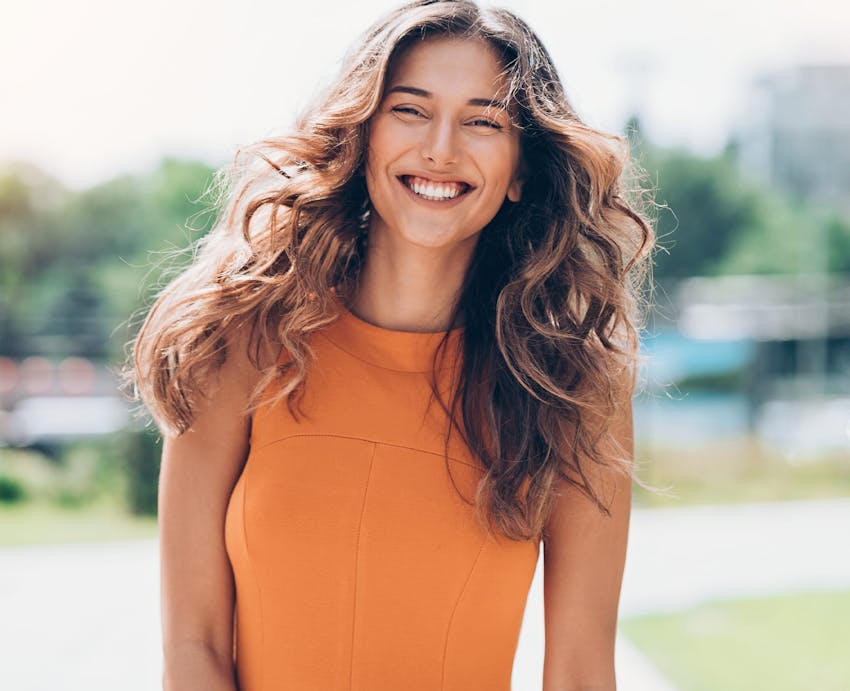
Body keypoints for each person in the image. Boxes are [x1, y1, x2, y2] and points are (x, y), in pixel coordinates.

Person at [128, 1, 656, 689]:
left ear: (522, 169)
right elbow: (192, 644)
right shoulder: (241, 337)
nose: (442, 147)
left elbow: (582, 670)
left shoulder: (570, 382)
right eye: (410, 110)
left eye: (483, 121)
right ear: (364, 134)